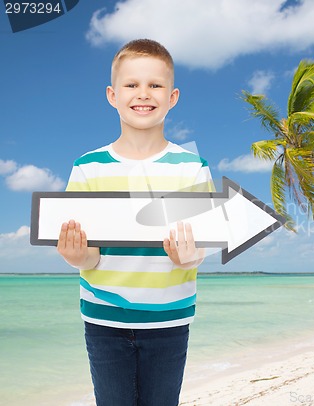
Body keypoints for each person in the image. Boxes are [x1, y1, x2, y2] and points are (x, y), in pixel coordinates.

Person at [56, 39, 213, 406]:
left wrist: (190, 257)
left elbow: (202, 245)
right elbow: (90, 255)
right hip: (104, 320)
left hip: (169, 319)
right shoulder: (87, 167)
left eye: (155, 85)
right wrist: (78, 257)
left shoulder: (192, 166)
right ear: (112, 94)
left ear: (172, 97)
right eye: (132, 84)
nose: (143, 94)